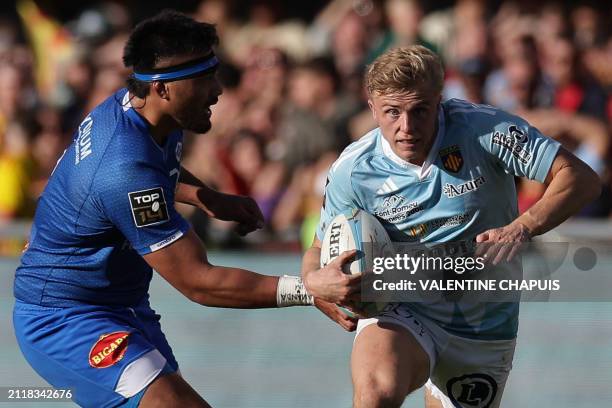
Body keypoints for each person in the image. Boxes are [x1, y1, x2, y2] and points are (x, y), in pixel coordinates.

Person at [13, 11, 359, 408]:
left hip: (118, 305)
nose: (217, 91)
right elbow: (199, 282)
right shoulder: (123, 167)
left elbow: (152, 170)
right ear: (163, 89)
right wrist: (309, 289)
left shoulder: (143, 110)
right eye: (204, 80)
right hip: (65, 320)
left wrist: (205, 195)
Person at [301, 45, 601, 408]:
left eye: (419, 111)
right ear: (372, 108)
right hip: (404, 307)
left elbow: (580, 178)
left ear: (439, 101)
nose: (406, 127)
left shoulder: (485, 129)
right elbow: (318, 248)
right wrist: (313, 281)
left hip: (484, 321)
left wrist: (523, 226)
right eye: (392, 113)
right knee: (375, 396)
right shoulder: (354, 169)